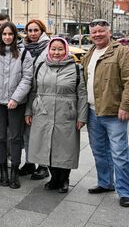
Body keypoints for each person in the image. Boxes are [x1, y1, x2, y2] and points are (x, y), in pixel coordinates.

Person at [82, 19, 129, 208]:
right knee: (99, 151)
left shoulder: (122, 52)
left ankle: (126, 192)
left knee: (119, 153)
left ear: (109, 32)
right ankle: (106, 183)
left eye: (101, 31)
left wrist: (127, 106)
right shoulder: (90, 53)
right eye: (94, 32)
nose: (97, 34)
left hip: (114, 112)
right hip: (93, 112)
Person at [25, 37, 88, 193]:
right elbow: (33, 91)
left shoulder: (75, 69)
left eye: (60, 49)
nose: (56, 52)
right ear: (49, 50)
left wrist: (82, 117)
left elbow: (82, 94)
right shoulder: (40, 66)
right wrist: (28, 111)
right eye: (53, 49)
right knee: (48, 146)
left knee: (65, 148)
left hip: (66, 113)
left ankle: (64, 179)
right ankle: (54, 178)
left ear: (66, 50)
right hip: (43, 112)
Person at [0, 22, 33, 189]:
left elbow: (27, 78)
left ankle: (14, 172)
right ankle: (3, 171)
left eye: (10, 34)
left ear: (15, 35)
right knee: (0, 137)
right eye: (4, 34)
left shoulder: (24, 53)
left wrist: (16, 98)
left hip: (16, 103)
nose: (7, 37)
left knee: (15, 137)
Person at [19, 19, 51, 180]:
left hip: (42, 94)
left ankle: (43, 166)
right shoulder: (23, 47)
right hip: (26, 94)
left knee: (41, 131)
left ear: (42, 31)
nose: (32, 34)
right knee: (27, 131)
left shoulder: (49, 47)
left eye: (35, 30)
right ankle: (29, 162)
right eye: (29, 31)